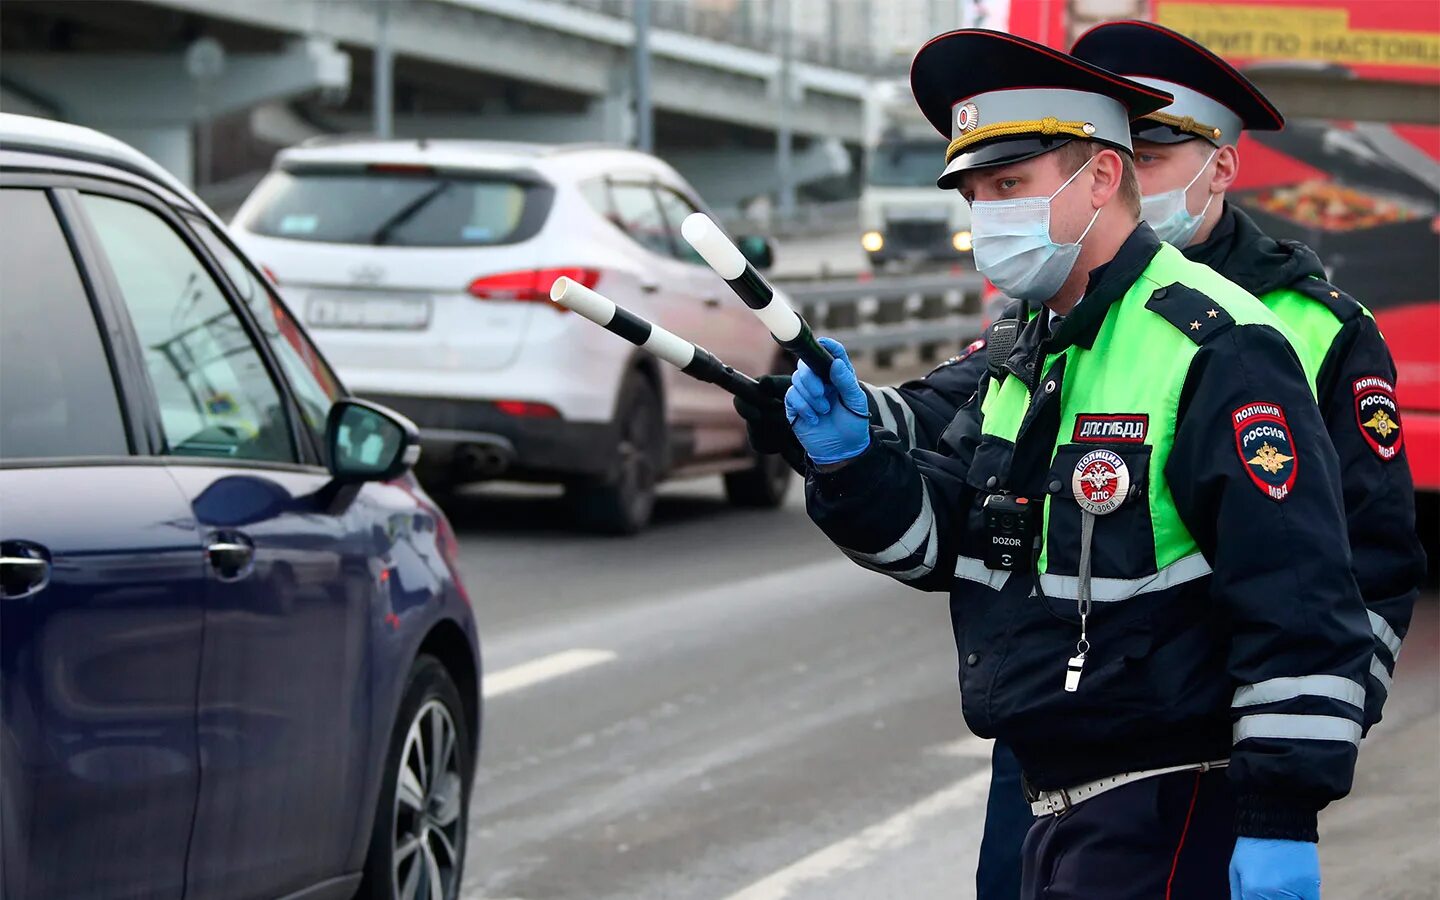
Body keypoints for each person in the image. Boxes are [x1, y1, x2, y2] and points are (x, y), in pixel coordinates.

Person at [779, 29, 1374, 900]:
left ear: (1101, 176)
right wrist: (852, 466)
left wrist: (1280, 815)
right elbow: (959, 547)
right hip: (1055, 800)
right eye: (976, 192)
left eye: (1011, 185)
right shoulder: (1033, 343)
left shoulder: (1216, 345)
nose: (989, 215)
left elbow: (1294, 592)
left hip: (1169, 803)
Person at [1069, 19, 1426, 733]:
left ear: (1222, 171)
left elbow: (1373, 561)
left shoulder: (1322, 326)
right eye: (1108, 163)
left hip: (1213, 740)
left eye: (1150, 160)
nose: (1123, 188)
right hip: (1054, 735)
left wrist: (1307, 730)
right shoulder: (1060, 307)